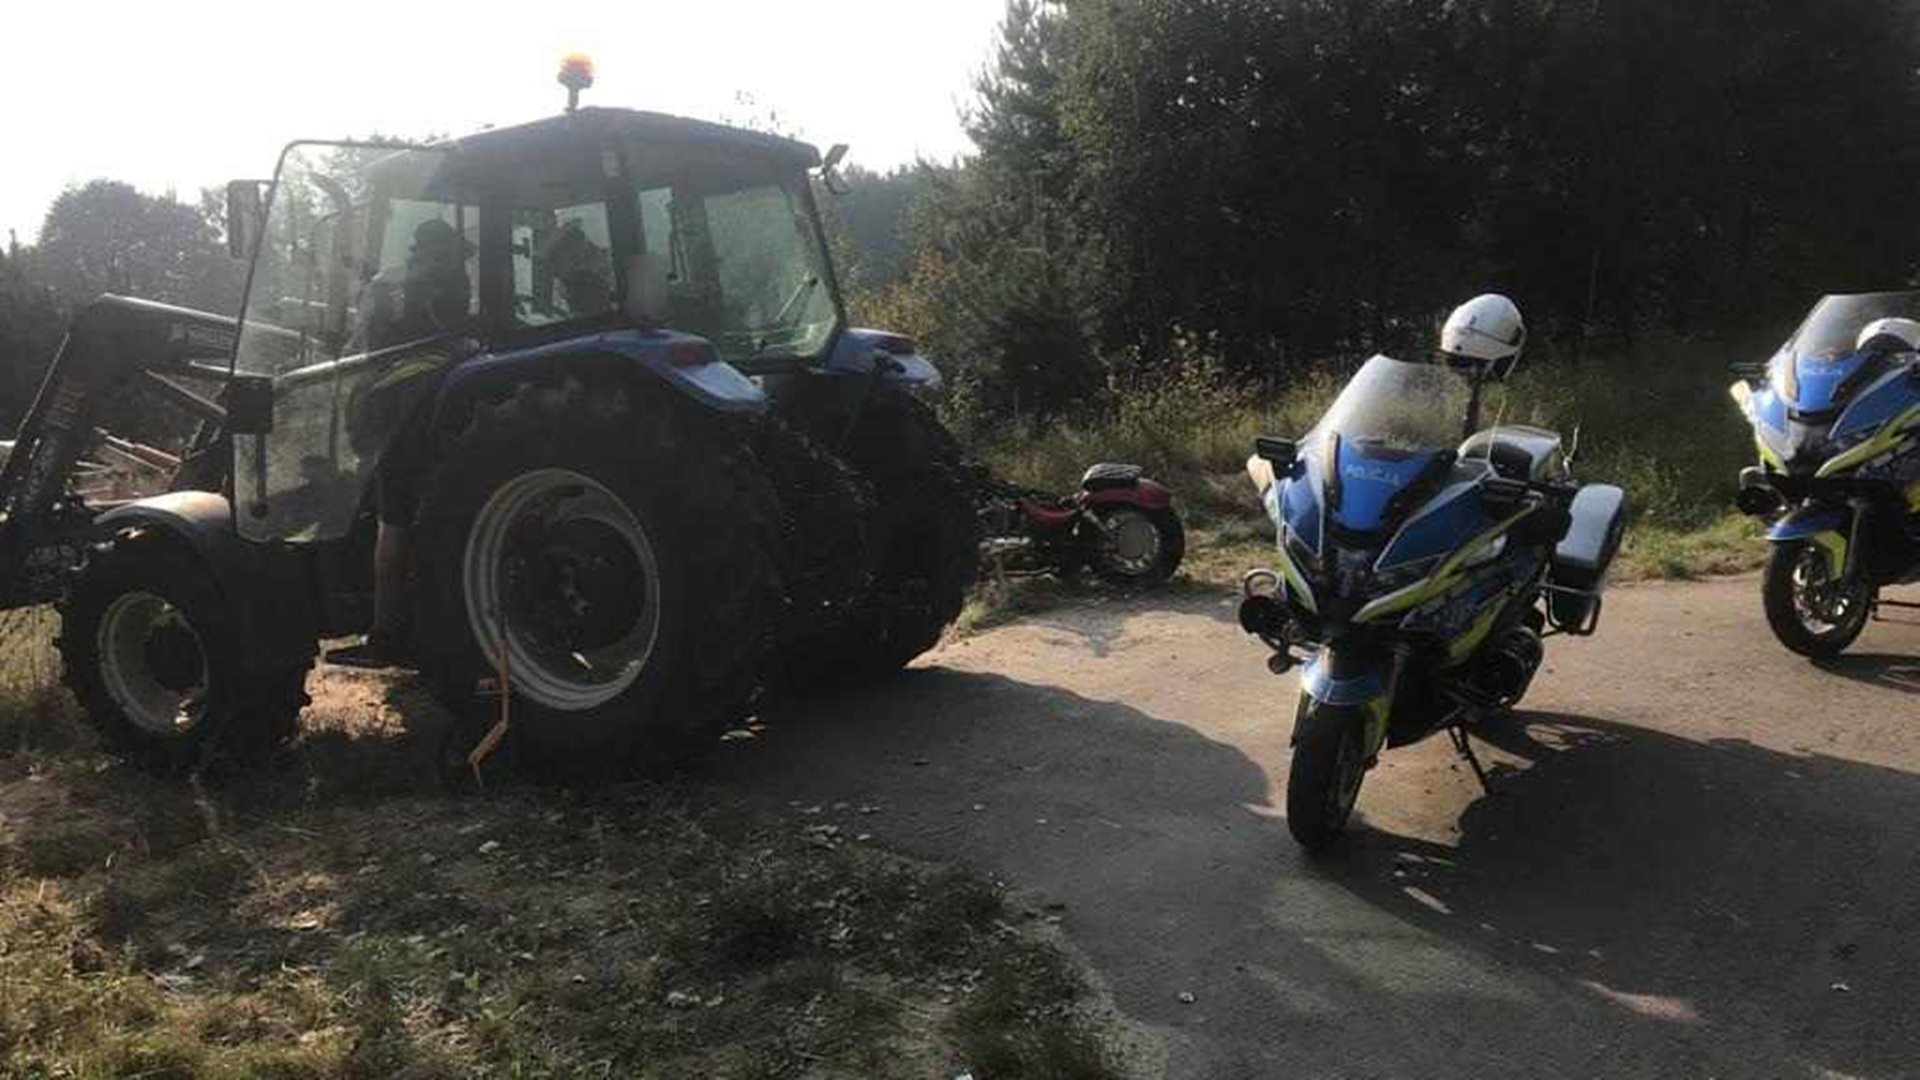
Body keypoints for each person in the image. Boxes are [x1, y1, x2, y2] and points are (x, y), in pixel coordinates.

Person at [326, 219, 472, 669]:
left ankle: (387, 632)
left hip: (396, 409)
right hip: (444, 402)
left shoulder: (389, 286)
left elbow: (362, 343)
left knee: (394, 523)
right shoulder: (453, 285)